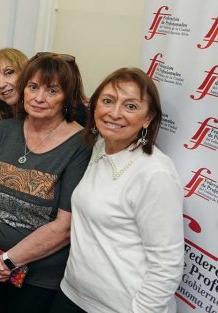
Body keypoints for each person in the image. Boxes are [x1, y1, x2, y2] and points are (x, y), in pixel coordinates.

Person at [0, 53, 91, 313]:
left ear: (67, 97)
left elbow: (65, 225)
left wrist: (7, 261)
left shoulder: (81, 145)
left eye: (52, 90)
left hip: (35, 278)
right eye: (33, 87)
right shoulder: (4, 130)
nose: (39, 98)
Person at [51, 68, 183, 313]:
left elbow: (167, 264)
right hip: (72, 295)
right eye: (108, 101)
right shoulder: (99, 147)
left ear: (148, 118)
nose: (114, 113)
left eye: (130, 106)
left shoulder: (155, 174)